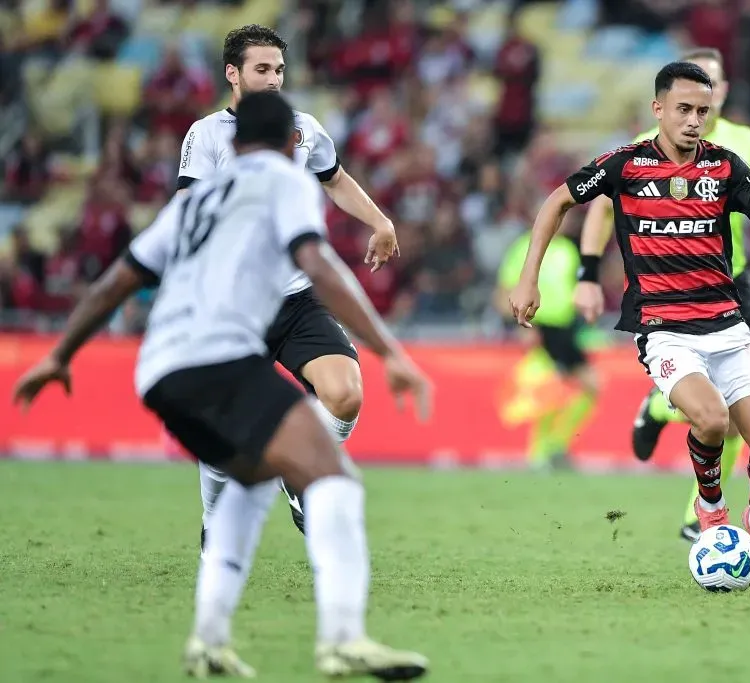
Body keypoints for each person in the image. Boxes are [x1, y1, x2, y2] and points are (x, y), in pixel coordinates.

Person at [12, 91, 430, 679]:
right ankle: (343, 639)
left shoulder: (194, 200)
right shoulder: (286, 182)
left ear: (233, 146)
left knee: (250, 483)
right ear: (294, 144)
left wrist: (59, 355)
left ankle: (208, 641)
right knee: (331, 478)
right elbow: (318, 265)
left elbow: (115, 283)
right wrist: (390, 351)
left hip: (159, 368)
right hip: (219, 358)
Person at [508, 62, 750, 588]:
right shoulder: (625, 165)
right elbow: (558, 201)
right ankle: (712, 515)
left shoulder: (727, 166)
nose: (693, 120)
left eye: (702, 111)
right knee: (711, 420)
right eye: (683, 109)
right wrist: (530, 280)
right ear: (658, 109)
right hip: (665, 327)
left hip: (727, 325)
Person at [177, 24, 402, 542]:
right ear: (233, 74)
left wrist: (380, 221)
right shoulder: (207, 135)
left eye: (279, 69)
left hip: (296, 297)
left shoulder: (304, 129)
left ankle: (297, 473)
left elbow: (336, 178)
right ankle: (216, 528)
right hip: (234, 305)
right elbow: (188, 211)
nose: (274, 78)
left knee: (345, 394)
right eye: (262, 69)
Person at [574, 47, 750, 542]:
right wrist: (588, 272)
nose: (700, 108)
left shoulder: (740, 146)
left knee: (743, 422)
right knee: (711, 413)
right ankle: (700, 502)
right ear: (667, 103)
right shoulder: (641, 151)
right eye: (689, 101)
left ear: (721, 93)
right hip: (665, 299)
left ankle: (699, 500)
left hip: (729, 289)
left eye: (709, 94)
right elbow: (599, 206)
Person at [494, 229, 599, 469]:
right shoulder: (524, 247)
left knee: (591, 386)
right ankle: (539, 453)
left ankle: (555, 446)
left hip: (565, 329)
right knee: (550, 390)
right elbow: (504, 290)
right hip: (537, 326)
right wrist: (519, 324)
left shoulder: (569, 250)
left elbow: (574, 290)